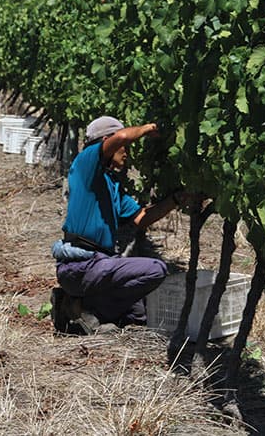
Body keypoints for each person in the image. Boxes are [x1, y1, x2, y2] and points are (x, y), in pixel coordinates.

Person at [51, 116, 177, 335]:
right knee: (156, 269)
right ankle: (85, 308)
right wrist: (149, 127)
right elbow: (121, 136)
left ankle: (75, 303)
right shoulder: (86, 163)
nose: (126, 152)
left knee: (138, 315)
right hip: (81, 265)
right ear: (107, 142)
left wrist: (176, 200)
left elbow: (142, 219)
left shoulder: (112, 185)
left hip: (97, 266)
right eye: (124, 148)